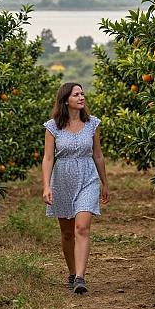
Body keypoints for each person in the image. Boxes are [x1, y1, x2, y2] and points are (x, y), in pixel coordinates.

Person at [41, 82, 109, 294]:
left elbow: (97, 155)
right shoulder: (53, 127)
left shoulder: (92, 124)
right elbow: (48, 157)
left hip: (88, 178)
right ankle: (72, 272)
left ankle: (80, 277)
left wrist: (104, 182)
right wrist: (46, 186)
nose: (81, 97)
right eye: (76, 94)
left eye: (82, 94)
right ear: (65, 100)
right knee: (67, 233)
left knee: (81, 227)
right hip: (62, 181)